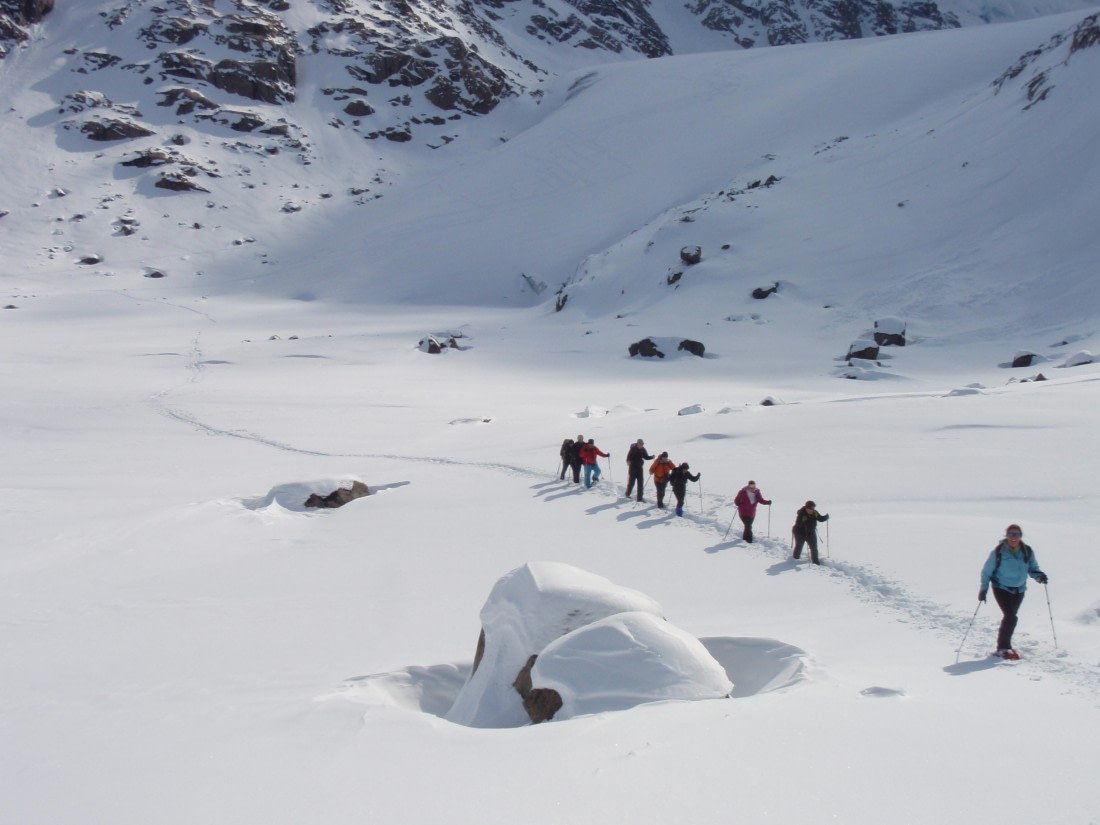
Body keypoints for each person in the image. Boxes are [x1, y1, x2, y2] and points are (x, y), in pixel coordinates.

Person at [979, 524, 1048, 660]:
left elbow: (1032, 568)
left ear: (1020, 536)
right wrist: (983, 590)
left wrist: (1039, 576)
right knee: (1011, 617)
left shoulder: (1027, 551)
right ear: (1006, 536)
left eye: (1016, 535)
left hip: (1019, 589)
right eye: (1011, 534)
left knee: (1010, 618)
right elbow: (986, 571)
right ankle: (1003, 647)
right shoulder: (998, 552)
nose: (1013, 538)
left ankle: (1003, 646)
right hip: (1001, 587)